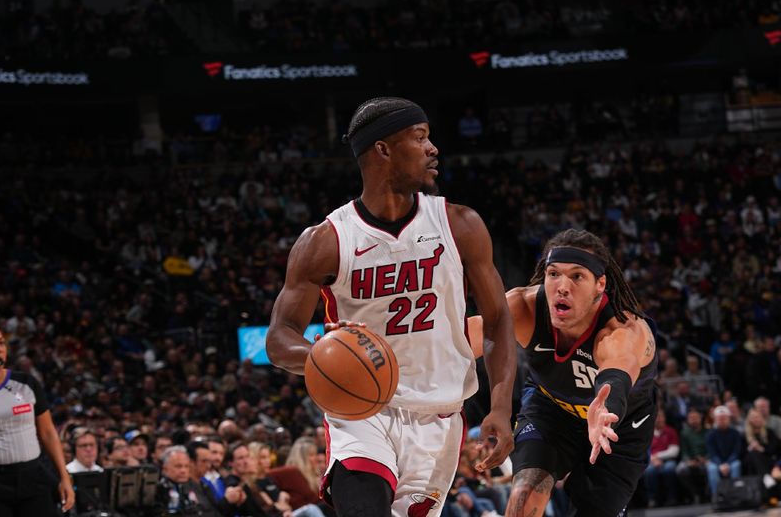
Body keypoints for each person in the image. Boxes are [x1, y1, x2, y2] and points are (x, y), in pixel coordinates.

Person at [266, 97, 516, 517]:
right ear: (382, 149)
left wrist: (501, 407)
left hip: (439, 414)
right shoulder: (327, 241)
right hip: (362, 412)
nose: (433, 147)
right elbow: (278, 337)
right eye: (420, 138)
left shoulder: (460, 225)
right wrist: (326, 360)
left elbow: (496, 321)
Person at [468, 228, 658, 517]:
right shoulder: (525, 307)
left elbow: (618, 371)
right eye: (553, 273)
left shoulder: (623, 330)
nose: (562, 286)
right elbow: (457, 341)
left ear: (600, 284)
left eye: (577, 276)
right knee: (523, 497)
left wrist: (606, 408)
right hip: (551, 410)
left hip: (616, 426)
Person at [0, 321, 75, 516]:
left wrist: (64, 477)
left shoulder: (26, 383)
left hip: (33, 477)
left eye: (1, 343)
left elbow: (48, 433)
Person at [705, 405, 742, 501]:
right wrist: (721, 464)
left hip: (731, 461)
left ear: (729, 419)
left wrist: (728, 463)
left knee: (736, 465)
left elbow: (736, 451)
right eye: (719, 419)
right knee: (712, 468)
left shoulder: (735, 433)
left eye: (724, 418)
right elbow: (712, 453)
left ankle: (735, 495)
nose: (722, 420)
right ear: (715, 420)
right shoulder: (710, 434)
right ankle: (717, 496)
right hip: (717, 462)